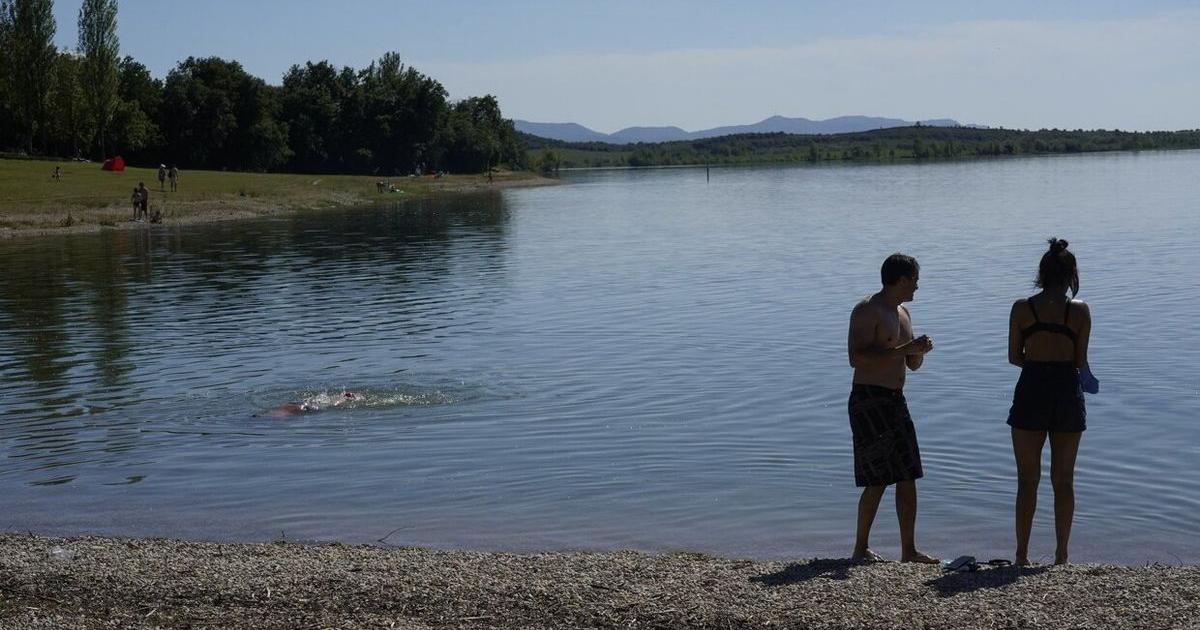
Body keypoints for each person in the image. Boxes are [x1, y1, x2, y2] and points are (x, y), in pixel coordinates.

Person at [846, 253, 937, 563]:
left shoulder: (903, 313)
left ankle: (908, 550)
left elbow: (911, 364)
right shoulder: (867, 310)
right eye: (914, 281)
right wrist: (904, 349)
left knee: (908, 473)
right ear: (901, 280)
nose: (917, 286)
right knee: (877, 478)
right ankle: (860, 548)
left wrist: (919, 351)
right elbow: (856, 358)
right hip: (869, 399)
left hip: (896, 400)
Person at [1007, 238, 1090, 566]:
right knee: (1064, 480)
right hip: (1067, 390)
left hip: (1032, 388)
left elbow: (1014, 356)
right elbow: (1080, 361)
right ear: (1071, 275)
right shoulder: (1079, 310)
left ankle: (1021, 555)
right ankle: (1061, 555)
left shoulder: (1022, 308)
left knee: (1027, 480)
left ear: (1041, 273)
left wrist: (1037, 358)